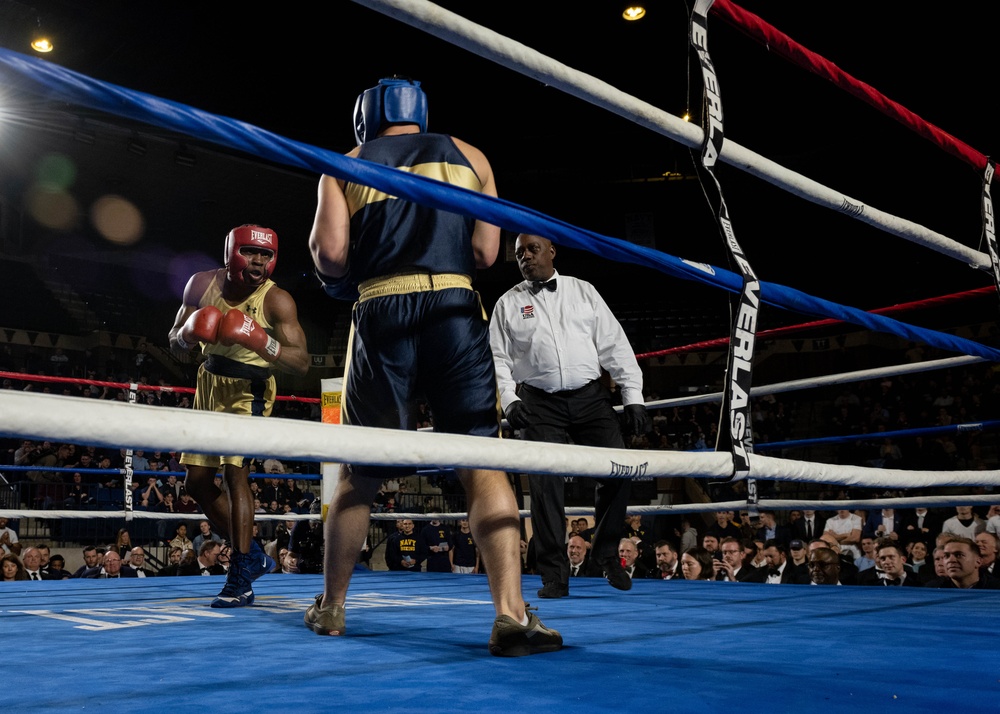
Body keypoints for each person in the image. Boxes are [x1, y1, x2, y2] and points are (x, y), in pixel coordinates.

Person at [305, 76, 561, 656]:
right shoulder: (472, 156)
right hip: (453, 303)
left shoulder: (343, 162)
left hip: (381, 307)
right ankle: (511, 616)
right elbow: (486, 254)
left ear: (365, 117)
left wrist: (354, 273)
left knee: (360, 473)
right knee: (482, 462)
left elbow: (331, 255)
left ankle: (333, 609)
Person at [489, 232, 650, 599]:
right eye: (518, 254)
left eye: (532, 249)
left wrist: (633, 397)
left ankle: (607, 555)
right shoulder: (507, 304)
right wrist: (509, 399)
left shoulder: (583, 291)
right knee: (544, 486)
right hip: (538, 402)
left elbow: (615, 345)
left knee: (619, 468)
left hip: (591, 398)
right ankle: (554, 575)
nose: (526, 257)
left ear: (551, 251)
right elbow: (498, 359)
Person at [169, 223, 310, 608]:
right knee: (195, 483)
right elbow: (173, 338)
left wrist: (261, 340)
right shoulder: (201, 284)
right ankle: (251, 555)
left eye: (265, 255)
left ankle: (240, 579)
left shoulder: (276, 299)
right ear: (232, 252)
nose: (258, 262)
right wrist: (189, 333)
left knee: (236, 475)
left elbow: (301, 361)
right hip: (208, 382)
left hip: (251, 390)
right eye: (251, 252)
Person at [931, 537, 1000, 589]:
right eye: (946, 556)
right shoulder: (933, 588)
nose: (951, 560)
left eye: (959, 555)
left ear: (978, 561)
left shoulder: (996, 588)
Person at [858, 541, 922, 586]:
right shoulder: (872, 587)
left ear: (903, 560)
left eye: (891, 557)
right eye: (883, 558)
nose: (887, 562)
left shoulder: (920, 582)